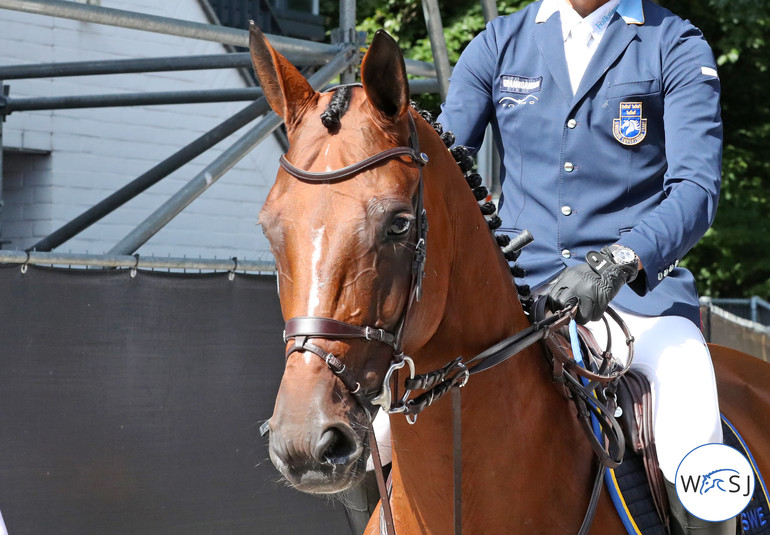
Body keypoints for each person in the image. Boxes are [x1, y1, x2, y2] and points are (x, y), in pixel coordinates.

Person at [436, 0, 730, 533]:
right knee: (380, 434)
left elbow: (696, 188)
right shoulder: (498, 41)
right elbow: (439, 171)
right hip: (517, 296)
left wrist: (620, 259)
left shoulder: (675, 43)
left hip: (637, 303)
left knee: (696, 440)